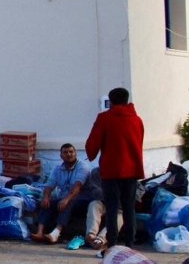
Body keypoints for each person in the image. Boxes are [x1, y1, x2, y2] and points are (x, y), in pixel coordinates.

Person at [85, 87, 145, 249]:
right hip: (132, 170)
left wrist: (91, 154)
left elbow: (93, 143)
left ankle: (111, 243)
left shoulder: (105, 118)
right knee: (128, 208)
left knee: (112, 208)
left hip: (112, 170)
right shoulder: (137, 119)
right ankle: (129, 244)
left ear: (110, 101)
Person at [30, 143, 93, 244]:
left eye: (71, 152)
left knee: (68, 203)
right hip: (64, 198)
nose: (69, 154)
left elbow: (77, 186)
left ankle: (55, 234)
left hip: (82, 200)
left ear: (75, 154)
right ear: (61, 156)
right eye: (65, 152)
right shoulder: (58, 168)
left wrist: (66, 199)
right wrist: (45, 197)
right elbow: (49, 185)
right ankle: (40, 232)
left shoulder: (83, 167)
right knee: (48, 203)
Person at [84, 167, 123, 250]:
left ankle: (100, 240)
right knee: (94, 204)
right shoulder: (97, 172)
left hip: (120, 207)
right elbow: (94, 190)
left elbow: (139, 190)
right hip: (104, 202)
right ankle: (91, 235)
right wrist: (111, 195)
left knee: (119, 217)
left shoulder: (125, 172)